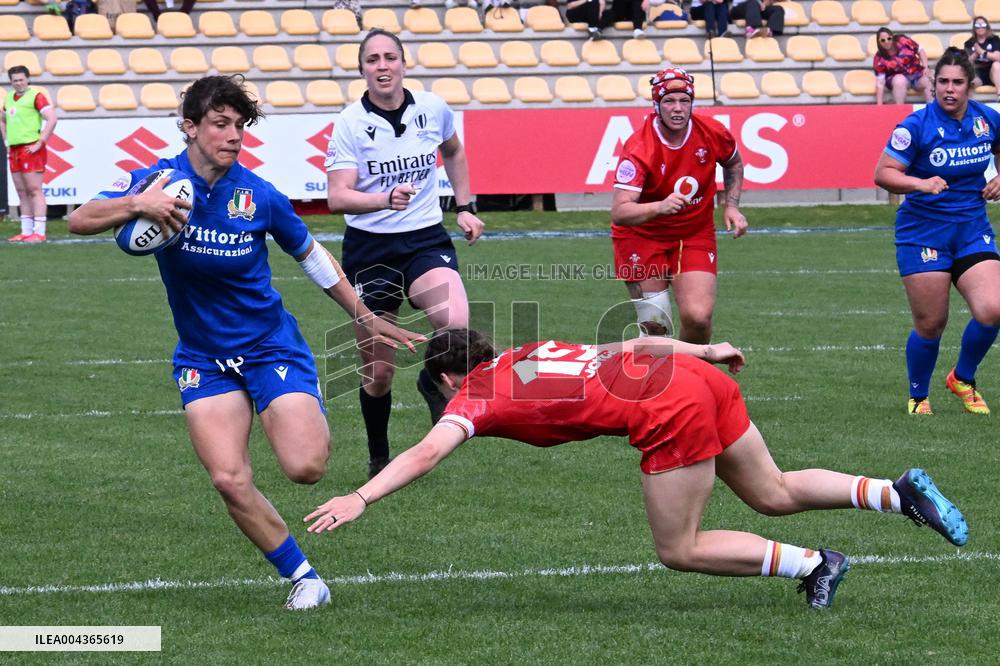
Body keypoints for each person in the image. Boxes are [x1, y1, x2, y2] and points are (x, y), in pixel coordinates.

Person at [67, 75, 424, 610]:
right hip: (203, 357)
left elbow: (311, 256)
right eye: (220, 124)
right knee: (229, 478)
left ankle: (287, 405)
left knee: (306, 468)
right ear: (190, 128)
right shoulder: (156, 181)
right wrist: (139, 205)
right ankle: (305, 578)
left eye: (240, 126)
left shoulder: (258, 195)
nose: (233, 136)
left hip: (270, 346)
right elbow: (78, 219)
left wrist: (366, 316)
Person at [305, 328, 969, 610]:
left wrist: (363, 495)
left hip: (669, 406)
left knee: (679, 548)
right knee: (771, 491)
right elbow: (627, 344)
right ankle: (896, 492)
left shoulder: (476, 393)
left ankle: (814, 564)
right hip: (691, 375)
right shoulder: (527, 355)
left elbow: (426, 451)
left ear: (450, 376)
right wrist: (705, 348)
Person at [326, 29, 485, 479]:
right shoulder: (350, 123)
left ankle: (430, 379)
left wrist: (466, 206)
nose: (382, 66)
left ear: (403, 63)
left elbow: (453, 151)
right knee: (378, 374)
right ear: (362, 70)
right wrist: (382, 199)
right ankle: (379, 454)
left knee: (456, 326)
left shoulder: (432, 108)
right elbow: (338, 197)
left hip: (424, 239)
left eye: (390, 57)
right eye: (373, 59)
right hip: (370, 248)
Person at [874, 48, 1000, 416]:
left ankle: (962, 378)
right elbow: (883, 173)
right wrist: (919, 183)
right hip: (923, 233)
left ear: (970, 86)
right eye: (943, 81)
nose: (949, 89)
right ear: (933, 84)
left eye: (957, 82)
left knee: (993, 309)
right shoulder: (915, 127)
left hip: (972, 229)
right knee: (932, 322)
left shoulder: (987, 120)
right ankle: (918, 395)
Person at [610, 67, 747, 344]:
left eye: (684, 101)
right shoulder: (639, 147)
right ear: (656, 105)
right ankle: (659, 384)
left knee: (698, 318)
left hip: (694, 235)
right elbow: (620, 212)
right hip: (642, 238)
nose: (678, 109)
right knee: (657, 328)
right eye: (669, 101)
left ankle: (693, 382)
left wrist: (731, 205)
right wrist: (659, 207)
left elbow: (733, 162)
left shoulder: (713, 132)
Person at [1, 66, 57, 243]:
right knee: (21, 191)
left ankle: (39, 232)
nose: (18, 83)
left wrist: (40, 142)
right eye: (15, 80)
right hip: (15, 149)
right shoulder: (9, 98)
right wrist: (6, 141)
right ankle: (26, 232)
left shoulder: (36, 96)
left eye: (21, 79)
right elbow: (2, 119)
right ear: (11, 82)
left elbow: (52, 118)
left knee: (34, 190)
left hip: (30, 149)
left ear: (27, 79)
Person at [873, 27, 933, 105]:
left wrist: (925, 67)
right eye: (883, 40)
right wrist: (879, 106)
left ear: (892, 37)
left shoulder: (903, 41)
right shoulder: (879, 58)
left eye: (889, 38)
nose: (886, 42)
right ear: (879, 42)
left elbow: (920, 50)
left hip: (917, 74)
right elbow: (880, 83)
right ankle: (899, 110)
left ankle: (933, 110)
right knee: (899, 80)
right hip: (897, 80)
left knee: (928, 78)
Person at [963, 16, 1000, 97]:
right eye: (977, 26)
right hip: (978, 72)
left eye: (983, 25)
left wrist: (982, 52)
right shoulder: (969, 43)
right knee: (967, 78)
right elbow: (966, 62)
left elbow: (998, 57)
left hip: (992, 72)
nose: (980, 28)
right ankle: (966, 104)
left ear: (987, 27)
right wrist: (976, 54)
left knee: (997, 65)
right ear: (974, 28)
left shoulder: (994, 39)